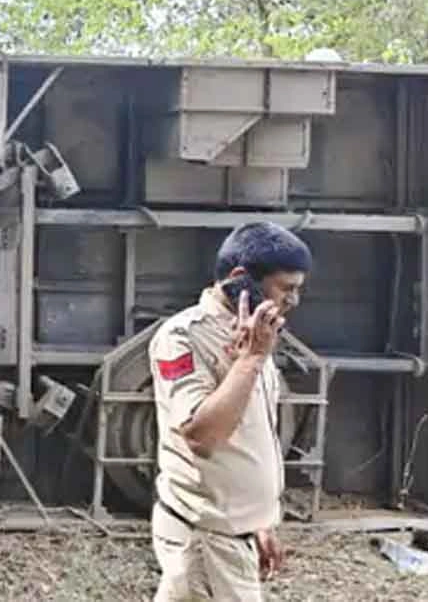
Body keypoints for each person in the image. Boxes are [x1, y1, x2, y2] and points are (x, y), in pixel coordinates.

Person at [147, 222, 311, 601]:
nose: (294, 300)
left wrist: (257, 522)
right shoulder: (183, 337)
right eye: (286, 288)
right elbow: (201, 436)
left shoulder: (253, 332)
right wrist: (251, 359)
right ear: (241, 280)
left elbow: (249, 437)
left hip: (230, 535)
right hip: (206, 539)